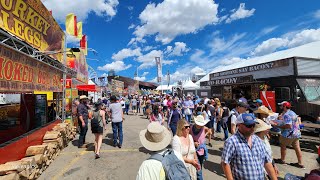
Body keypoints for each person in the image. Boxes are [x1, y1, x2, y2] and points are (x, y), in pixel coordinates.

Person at [221, 113, 277, 180]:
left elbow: (267, 162)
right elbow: (225, 163)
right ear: (239, 125)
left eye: (254, 125)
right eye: (249, 126)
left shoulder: (258, 140)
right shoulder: (231, 142)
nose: (252, 128)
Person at [273, 101, 304, 168]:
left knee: (283, 146)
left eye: (281, 105)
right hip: (296, 133)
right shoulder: (292, 112)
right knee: (297, 148)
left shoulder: (287, 115)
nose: (280, 107)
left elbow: (288, 126)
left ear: (284, 107)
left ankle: (282, 160)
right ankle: (300, 163)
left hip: (289, 133)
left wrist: (279, 126)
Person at [190, 115, 210, 180]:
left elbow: (209, 131)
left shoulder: (203, 128)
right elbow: (188, 137)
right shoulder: (191, 128)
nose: (199, 126)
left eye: (200, 124)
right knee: (198, 168)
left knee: (200, 166)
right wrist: (193, 142)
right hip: (194, 151)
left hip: (201, 151)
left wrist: (205, 135)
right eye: (198, 124)